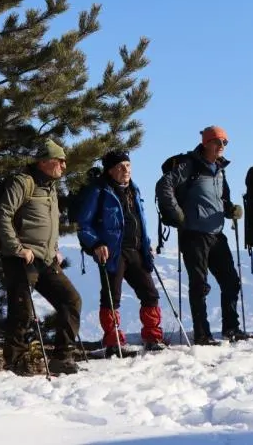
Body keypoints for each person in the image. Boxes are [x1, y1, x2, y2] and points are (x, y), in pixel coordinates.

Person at [0, 139, 83, 375]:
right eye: (59, 161)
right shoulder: (23, 183)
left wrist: (54, 249)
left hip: (46, 258)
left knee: (70, 300)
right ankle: (16, 361)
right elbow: (2, 216)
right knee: (22, 309)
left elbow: (48, 225)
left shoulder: (50, 188)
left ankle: (62, 357)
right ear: (44, 161)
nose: (64, 166)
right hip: (22, 258)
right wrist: (17, 248)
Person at [155, 125, 250, 345]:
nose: (221, 146)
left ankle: (231, 328)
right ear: (206, 143)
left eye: (225, 143)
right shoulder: (190, 166)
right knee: (199, 286)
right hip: (194, 234)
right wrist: (177, 214)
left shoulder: (219, 169)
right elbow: (164, 185)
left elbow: (222, 199)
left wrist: (230, 209)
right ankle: (202, 334)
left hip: (216, 233)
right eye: (217, 142)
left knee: (231, 282)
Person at [75, 150, 166, 355]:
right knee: (111, 297)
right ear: (110, 171)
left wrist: (147, 243)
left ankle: (152, 337)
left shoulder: (135, 190)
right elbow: (84, 224)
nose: (126, 170)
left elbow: (140, 221)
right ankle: (113, 342)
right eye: (120, 166)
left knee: (150, 293)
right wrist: (96, 244)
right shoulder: (99, 192)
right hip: (111, 252)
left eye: (128, 165)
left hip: (136, 249)